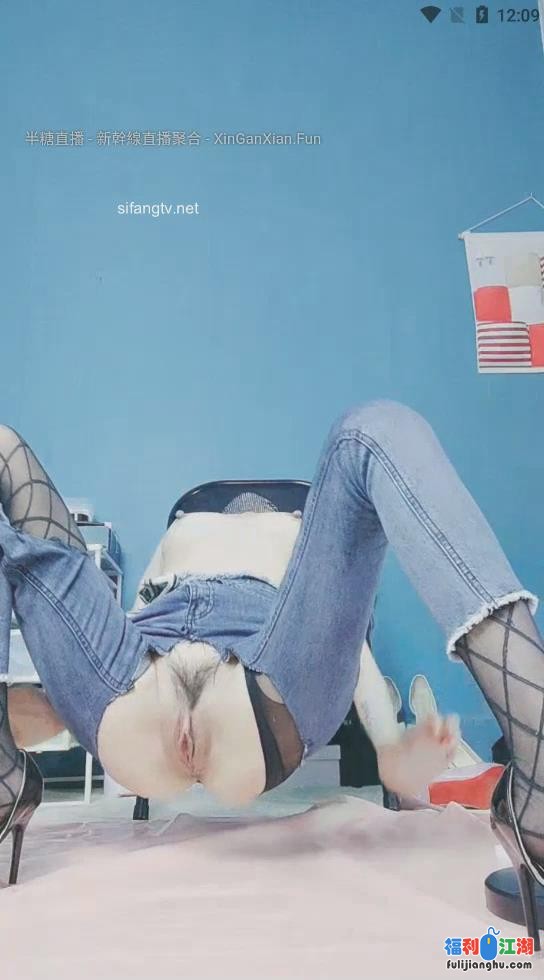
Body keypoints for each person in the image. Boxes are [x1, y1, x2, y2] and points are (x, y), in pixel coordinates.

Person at [0, 401, 542, 946]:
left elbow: (342, 637)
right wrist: (57, 701)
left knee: (368, 432)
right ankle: (5, 777)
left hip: (262, 675)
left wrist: (387, 745)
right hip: (143, 667)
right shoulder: (186, 530)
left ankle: (537, 763)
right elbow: (112, 627)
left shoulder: (299, 538)